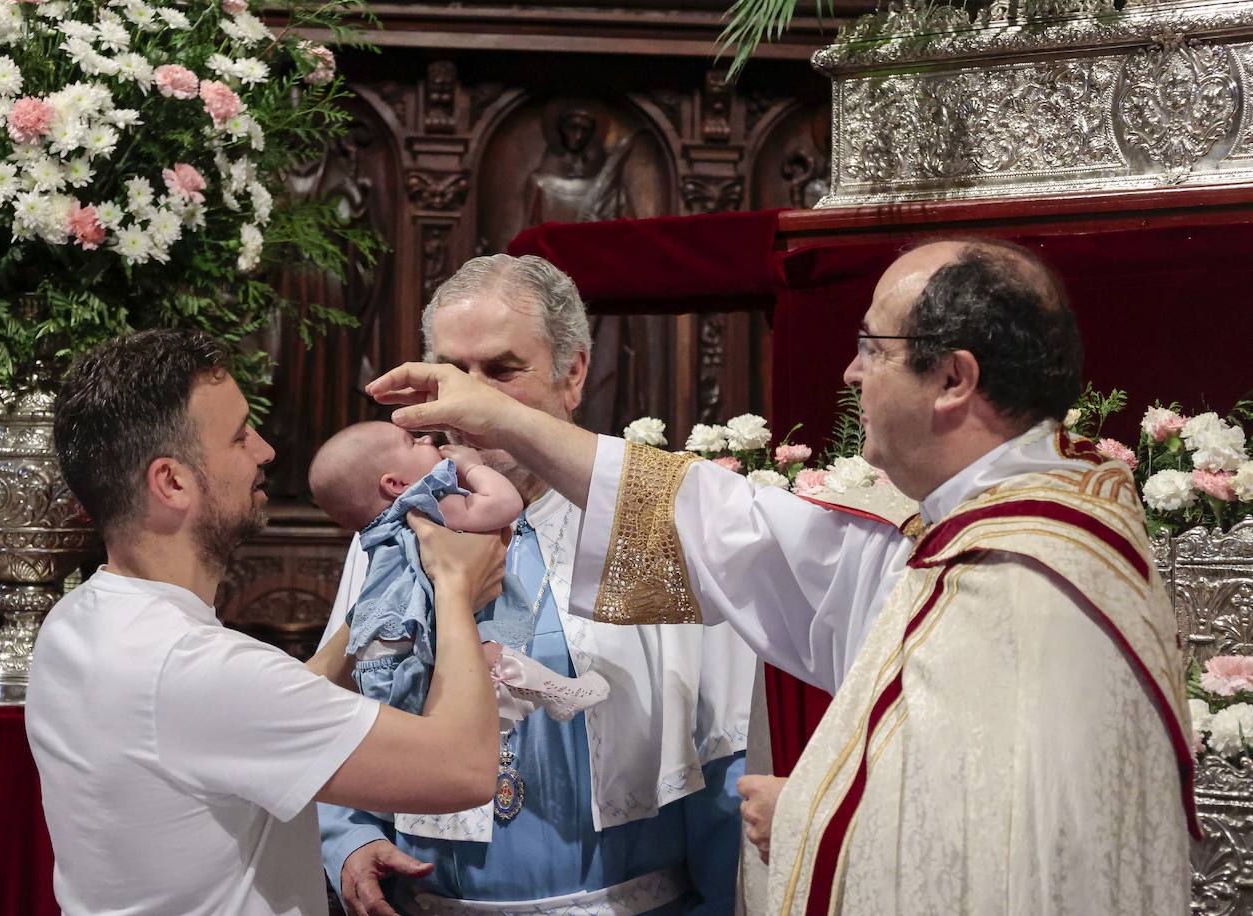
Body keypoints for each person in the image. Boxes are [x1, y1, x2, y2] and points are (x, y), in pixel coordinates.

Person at [363, 239, 1197, 915]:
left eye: (875, 348)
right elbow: (747, 538)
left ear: (953, 379)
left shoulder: (1021, 576)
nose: (851, 373)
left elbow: (1014, 852)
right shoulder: (1005, 525)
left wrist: (800, 817)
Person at [317, 254, 757, 916]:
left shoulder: (653, 524)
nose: (467, 398)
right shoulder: (392, 528)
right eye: (451, 369)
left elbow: (725, 744)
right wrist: (349, 839)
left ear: (573, 371)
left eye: (499, 370)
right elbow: (346, 707)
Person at [26, 329, 508, 916]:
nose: (264, 451)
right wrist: (453, 588)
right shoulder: (196, 668)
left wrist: (376, 611)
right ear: (172, 481)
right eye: (238, 437)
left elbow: (263, 707)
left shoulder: (78, 617)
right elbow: (463, 769)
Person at [307, 422, 610, 723]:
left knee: (474, 667)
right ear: (395, 484)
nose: (427, 439)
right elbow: (504, 504)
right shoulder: (424, 504)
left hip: (383, 651)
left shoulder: (381, 529)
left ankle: (538, 695)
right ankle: (553, 691)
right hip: (414, 636)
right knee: (486, 655)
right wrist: (474, 468)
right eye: (412, 442)